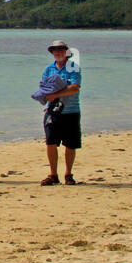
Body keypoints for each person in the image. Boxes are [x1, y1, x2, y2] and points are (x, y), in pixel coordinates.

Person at [39, 40, 81, 185]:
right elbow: (44, 87)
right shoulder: (48, 69)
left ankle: (68, 174)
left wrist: (56, 94)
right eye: (54, 50)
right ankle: (53, 174)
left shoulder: (73, 68)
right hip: (52, 111)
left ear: (66, 51)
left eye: (61, 49)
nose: (57, 52)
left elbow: (75, 87)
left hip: (71, 111)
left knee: (70, 145)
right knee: (50, 142)